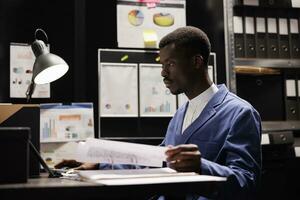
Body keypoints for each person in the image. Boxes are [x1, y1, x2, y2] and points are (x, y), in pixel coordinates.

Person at [56, 26, 261, 200]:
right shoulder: (181, 113)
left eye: (170, 64)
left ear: (197, 62)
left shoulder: (240, 113)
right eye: (162, 65)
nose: (163, 72)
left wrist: (202, 168)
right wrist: (101, 164)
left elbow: (246, 182)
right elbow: (157, 161)